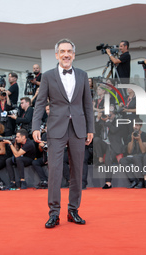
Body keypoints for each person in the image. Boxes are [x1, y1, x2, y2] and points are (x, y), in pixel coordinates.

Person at [32, 38, 94, 228]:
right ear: (57, 55)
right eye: (62, 51)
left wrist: (90, 129)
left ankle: (73, 210)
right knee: (55, 172)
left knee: (77, 172)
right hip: (56, 128)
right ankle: (54, 213)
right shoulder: (48, 76)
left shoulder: (83, 75)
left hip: (78, 128)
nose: (66, 54)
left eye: (69, 51)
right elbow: (40, 102)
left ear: (73, 55)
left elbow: (88, 105)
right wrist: (35, 126)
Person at [119, 118, 146, 189]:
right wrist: (132, 139)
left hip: (142, 156)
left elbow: (144, 151)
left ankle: (141, 180)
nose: (135, 127)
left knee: (137, 157)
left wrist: (139, 140)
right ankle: (133, 180)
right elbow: (129, 151)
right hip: (133, 156)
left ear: (141, 126)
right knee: (122, 160)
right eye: (134, 125)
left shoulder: (144, 135)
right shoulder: (130, 136)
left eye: (137, 125)